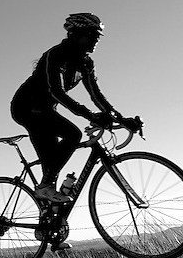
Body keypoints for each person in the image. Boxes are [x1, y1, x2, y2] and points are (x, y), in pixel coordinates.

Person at [10, 13, 140, 219]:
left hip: (46, 110)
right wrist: (90, 115)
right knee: (72, 134)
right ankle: (45, 187)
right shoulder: (56, 55)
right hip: (26, 108)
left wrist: (120, 118)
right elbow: (57, 92)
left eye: (98, 35)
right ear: (76, 34)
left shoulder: (86, 63)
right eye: (92, 34)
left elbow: (96, 95)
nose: (96, 39)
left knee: (53, 163)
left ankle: (51, 224)